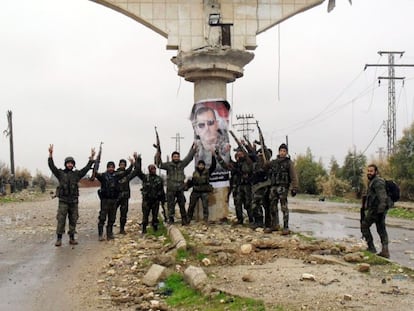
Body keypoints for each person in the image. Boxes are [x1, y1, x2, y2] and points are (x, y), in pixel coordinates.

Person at [48, 144, 95, 247]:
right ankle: (59, 239)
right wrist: (50, 155)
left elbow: (86, 169)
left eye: (71, 163)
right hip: (63, 201)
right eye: (68, 163)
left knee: (73, 219)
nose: (70, 165)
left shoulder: (76, 174)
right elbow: (52, 167)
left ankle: (72, 238)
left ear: (73, 165)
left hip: (73, 201)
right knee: (61, 219)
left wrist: (91, 159)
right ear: (65, 164)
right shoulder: (60, 173)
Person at [155, 143, 196, 225]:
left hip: (180, 188)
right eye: (175, 157)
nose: (176, 158)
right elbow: (158, 164)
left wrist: (193, 149)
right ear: (172, 157)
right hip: (171, 189)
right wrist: (158, 152)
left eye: (177, 156)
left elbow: (189, 158)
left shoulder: (182, 164)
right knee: (171, 205)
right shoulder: (168, 165)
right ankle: (171, 219)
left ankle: (184, 219)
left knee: (182, 204)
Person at [94, 158, 133, 241]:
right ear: (107, 168)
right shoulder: (103, 176)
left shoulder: (116, 176)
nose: (111, 169)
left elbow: (127, 172)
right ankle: (100, 235)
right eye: (109, 167)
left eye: (112, 167)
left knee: (112, 218)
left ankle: (109, 234)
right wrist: (96, 162)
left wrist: (132, 164)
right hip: (105, 200)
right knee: (102, 218)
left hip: (114, 200)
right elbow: (95, 173)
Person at [266, 143, 298, 235]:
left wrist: (294, 187)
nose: (282, 153)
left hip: (283, 187)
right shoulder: (274, 162)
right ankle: (274, 225)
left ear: (286, 152)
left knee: (284, 207)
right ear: (278, 151)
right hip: (274, 187)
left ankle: (285, 227)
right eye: (281, 151)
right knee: (272, 206)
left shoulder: (288, 163)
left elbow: (293, 176)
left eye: (284, 151)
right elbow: (266, 166)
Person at [217, 147, 254, 226]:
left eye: (240, 152)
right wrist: (218, 155)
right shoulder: (236, 164)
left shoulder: (248, 161)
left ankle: (251, 220)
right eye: (238, 152)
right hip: (237, 186)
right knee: (237, 203)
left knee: (248, 203)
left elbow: (249, 168)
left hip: (246, 186)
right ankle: (240, 220)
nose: (238, 154)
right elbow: (225, 165)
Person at [361, 164, 391, 258]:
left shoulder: (378, 182)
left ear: (376, 172)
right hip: (376, 209)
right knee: (381, 229)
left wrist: (381, 211)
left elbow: (382, 197)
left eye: (371, 171)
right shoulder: (372, 181)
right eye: (368, 171)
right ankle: (384, 251)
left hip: (377, 210)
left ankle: (371, 248)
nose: (369, 173)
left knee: (364, 226)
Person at [134, 154, 165, 234]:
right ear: (149, 170)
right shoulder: (145, 177)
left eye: (154, 169)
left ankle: (155, 229)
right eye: (152, 169)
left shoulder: (159, 179)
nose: (153, 170)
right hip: (146, 200)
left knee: (155, 216)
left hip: (155, 200)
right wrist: (138, 160)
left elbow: (161, 191)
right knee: (145, 216)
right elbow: (138, 171)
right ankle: (144, 229)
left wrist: (163, 200)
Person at [192, 106, 230, 172]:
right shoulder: (197, 148)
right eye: (201, 125)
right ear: (196, 130)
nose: (207, 129)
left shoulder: (224, 147)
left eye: (210, 123)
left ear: (217, 124)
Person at [187, 156, 216, 224]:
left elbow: (213, 166)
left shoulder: (207, 172)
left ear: (204, 166)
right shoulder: (194, 173)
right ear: (198, 165)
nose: (201, 166)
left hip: (204, 191)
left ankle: (205, 219)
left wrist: (213, 156)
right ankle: (188, 218)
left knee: (205, 206)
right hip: (196, 191)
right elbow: (192, 182)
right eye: (200, 165)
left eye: (202, 165)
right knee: (191, 205)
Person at [116, 158, 134, 234]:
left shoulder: (128, 175)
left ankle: (122, 229)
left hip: (125, 197)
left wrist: (136, 161)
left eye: (124, 165)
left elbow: (136, 171)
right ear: (119, 165)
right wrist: (132, 165)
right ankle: (109, 230)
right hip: (116, 196)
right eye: (121, 164)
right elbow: (126, 172)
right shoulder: (115, 173)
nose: (122, 166)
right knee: (112, 213)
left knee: (124, 213)